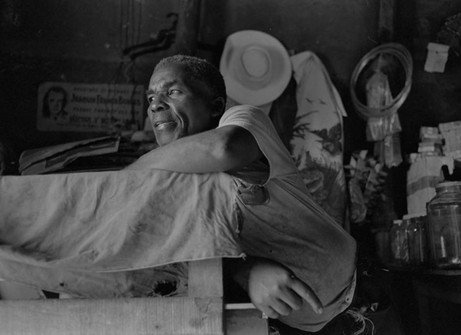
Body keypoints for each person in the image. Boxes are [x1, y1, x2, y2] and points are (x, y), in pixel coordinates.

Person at [0, 55, 356, 333]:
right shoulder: (170, 186)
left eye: (172, 92)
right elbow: (189, 261)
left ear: (215, 106)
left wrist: (127, 180)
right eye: (151, 97)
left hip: (343, 280)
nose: (155, 105)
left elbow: (223, 149)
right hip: (302, 321)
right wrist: (247, 275)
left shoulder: (243, 121)